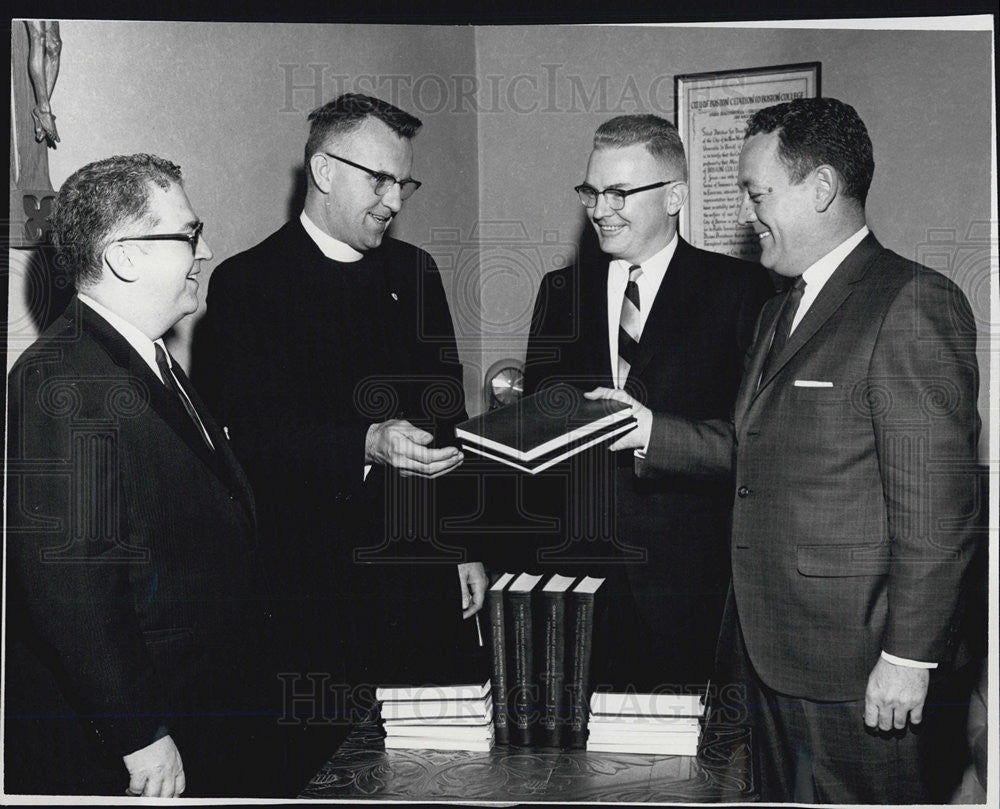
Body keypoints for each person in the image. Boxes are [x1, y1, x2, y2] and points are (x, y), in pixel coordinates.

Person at [588, 98, 981, 802]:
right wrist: (649, 429)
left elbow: (938, 509)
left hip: (857, 668)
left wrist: (909, 655)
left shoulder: (911, 303)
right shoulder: (778, 308)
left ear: (822, 188)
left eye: (757, 192)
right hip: (764, 657)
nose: (747, 211)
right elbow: (750, 446)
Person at [193, 94, 486, 764]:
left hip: (419, 579)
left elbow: (449, 419)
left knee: (437, 763)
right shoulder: (248, 284)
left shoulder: (417, 273)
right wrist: (363, 442)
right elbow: (246, 447)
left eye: (403, 182)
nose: (395, 200)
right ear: (324, 171)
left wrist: (466, 543)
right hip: (312, 589)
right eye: (379, 180)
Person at [5, 154, 286, 797]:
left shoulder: (144, 355)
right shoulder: (63, 380)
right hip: (138, 739)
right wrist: (138, 733)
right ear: (126, 258)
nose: (206, 249)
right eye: (188, 233)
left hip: (198, 704)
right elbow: (71, 586)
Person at [522, 114, 773, 690]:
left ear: (675, 197)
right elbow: (541, 431)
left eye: (618, 192)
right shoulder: (560, 294)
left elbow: (752, 443)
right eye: (591, 191)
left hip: (689, 585)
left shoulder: (743, 291)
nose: (599, 208)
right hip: (575, 583)